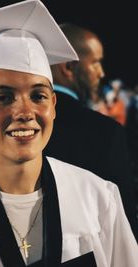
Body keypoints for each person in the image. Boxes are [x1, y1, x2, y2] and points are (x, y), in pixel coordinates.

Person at [0, 1, 137, 266]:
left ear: (53, 106)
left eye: (38, 95)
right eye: (3, 97)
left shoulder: (99, 198)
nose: (24, 111)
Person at [44, 22, 138, 241]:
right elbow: (122, 225)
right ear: (68, 67)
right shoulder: (105, 131)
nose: (101, 73)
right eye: (95, 62)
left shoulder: (17, 129)